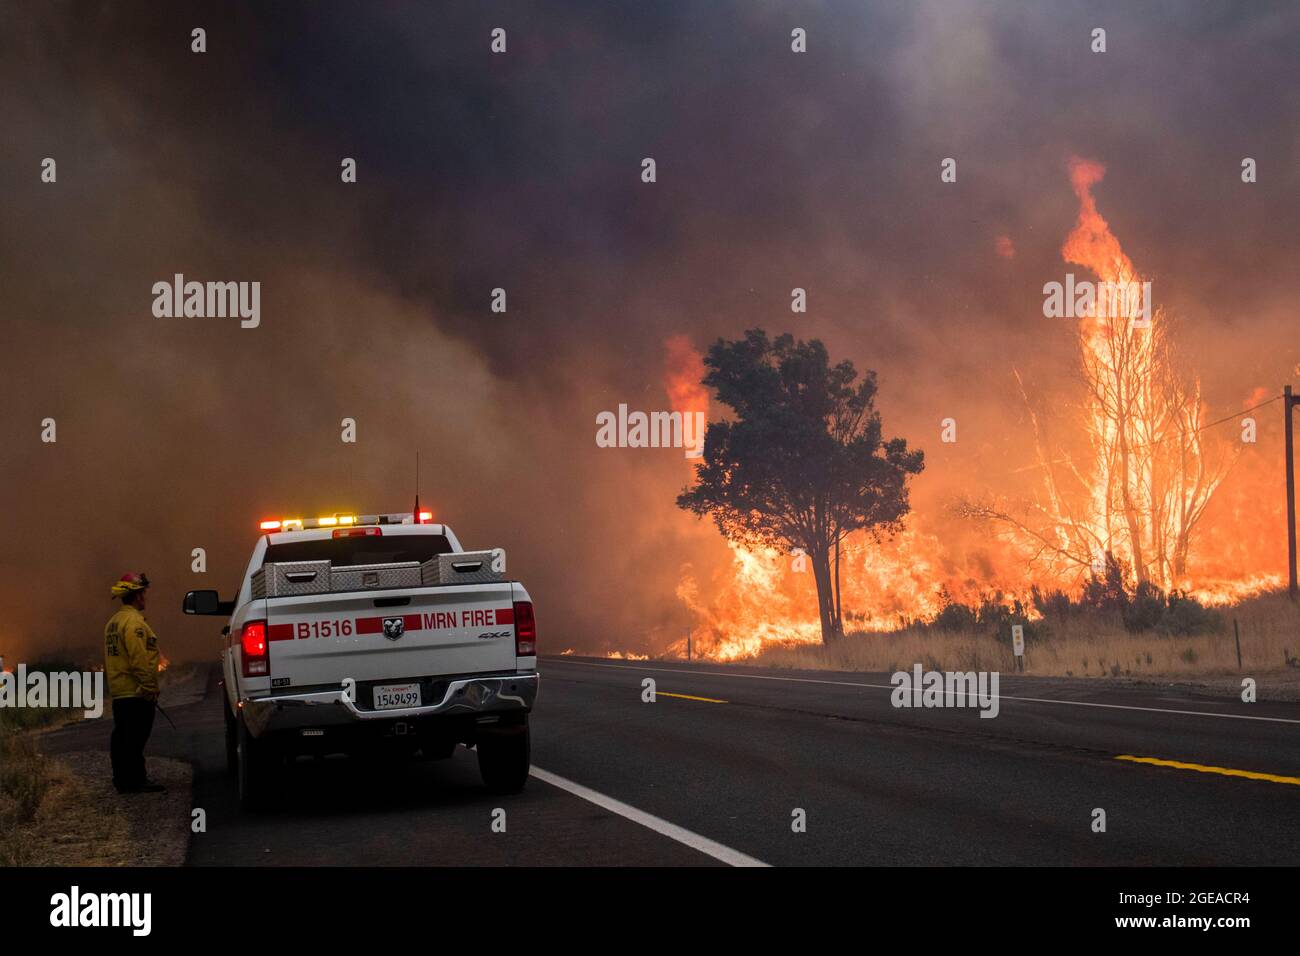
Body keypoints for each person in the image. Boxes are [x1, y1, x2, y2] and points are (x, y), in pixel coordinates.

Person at [104, 572, 165, 793]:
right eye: (143, 594)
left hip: (120, 692)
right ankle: (135, 781)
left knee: (122, 737)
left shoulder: (114, 622)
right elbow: (138, 659)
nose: (145, 598)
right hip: (136, 692)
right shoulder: (133, 623)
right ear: (137, 596)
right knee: (135, 740)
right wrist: (149, 687)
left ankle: (122, 780)